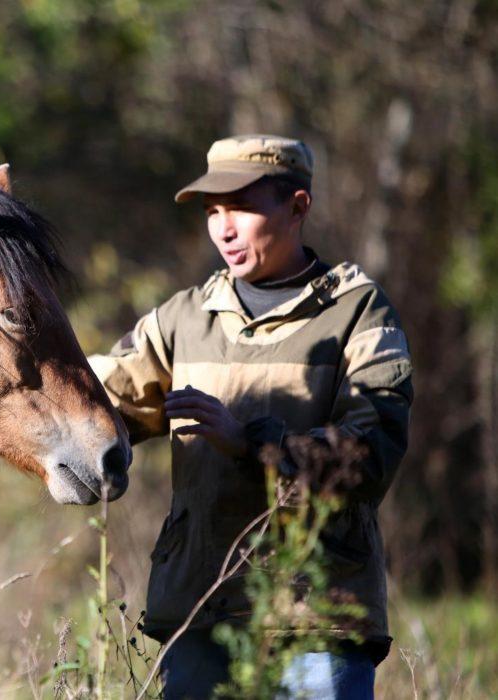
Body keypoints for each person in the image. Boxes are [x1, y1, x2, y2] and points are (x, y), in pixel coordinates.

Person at [89, 134, 413, 699]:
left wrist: (252, 443)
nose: (224, 228)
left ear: (297, 206)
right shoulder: (184, 318)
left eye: (240, 206)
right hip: (198, 611)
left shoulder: (359, 311)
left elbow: (373, 451)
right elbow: (95, 403)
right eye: (214, 211)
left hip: (316, 619)